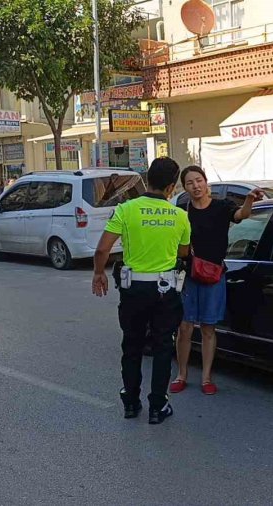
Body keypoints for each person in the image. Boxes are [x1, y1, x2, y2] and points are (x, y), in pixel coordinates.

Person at [91, 157, 191, 425]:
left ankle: (131, 403)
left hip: (134, 289)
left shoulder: (126, 210)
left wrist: (99, 273)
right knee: (161, 348)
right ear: (172, 187)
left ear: (147, 179)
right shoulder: (181, 216)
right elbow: (184, 251)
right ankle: (158, 406)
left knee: (132, 345)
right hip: (165, 290)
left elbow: (102, 249)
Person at [170, 166, 263, 396]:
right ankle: (181, 374)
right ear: (185, 187)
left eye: (199, 180)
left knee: (209, 328)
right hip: (189, 276)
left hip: (214, 275)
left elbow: (241, 215)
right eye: (190, 182)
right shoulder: (182, 211)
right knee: (184, 327)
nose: (196, 186)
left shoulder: (222, 206)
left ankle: (206, 378)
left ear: (206, 182)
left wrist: (250, 200)